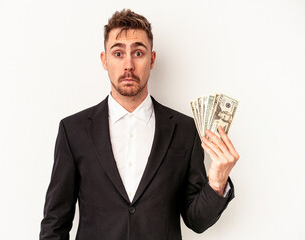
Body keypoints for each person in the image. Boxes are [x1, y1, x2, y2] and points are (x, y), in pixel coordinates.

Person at [40, 9, 239, 240]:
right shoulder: (73, 130)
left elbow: (196, 221)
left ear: (152, 59)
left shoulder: (185, 130)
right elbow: (55, 223)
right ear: (104, 60)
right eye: (118, 53)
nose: (128, 65)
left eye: (138, 52)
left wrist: (217, 182)